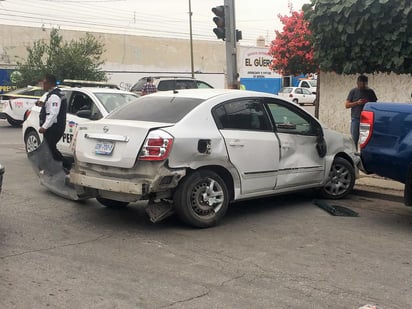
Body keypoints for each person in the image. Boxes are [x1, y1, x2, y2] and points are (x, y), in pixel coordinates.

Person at [38, 74, 70, 173]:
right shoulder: (53, 94)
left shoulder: (55, 96)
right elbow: (52, 108)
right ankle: (54, 167)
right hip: (54, 127)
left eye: (44, 83)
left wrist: (44, 127)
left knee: (50, 148)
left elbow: (53, 113)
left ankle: (66, 165)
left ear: (49, 83)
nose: (42, 85)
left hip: (54, 128)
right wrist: (43, 104)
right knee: (49, 148)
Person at [345, 75, 377, 150]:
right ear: (357, 83)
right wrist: (357, 103)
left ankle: (364, 154)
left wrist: (368, 103)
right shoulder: (353, 91)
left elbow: (375, 104)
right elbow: (347, 105)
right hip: (356, 118)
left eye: (364, 84)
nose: (362, 85)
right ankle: (354, 154)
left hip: (367, 119)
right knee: (354, 139)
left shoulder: (370, 92)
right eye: (361, 83)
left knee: (366, 139)